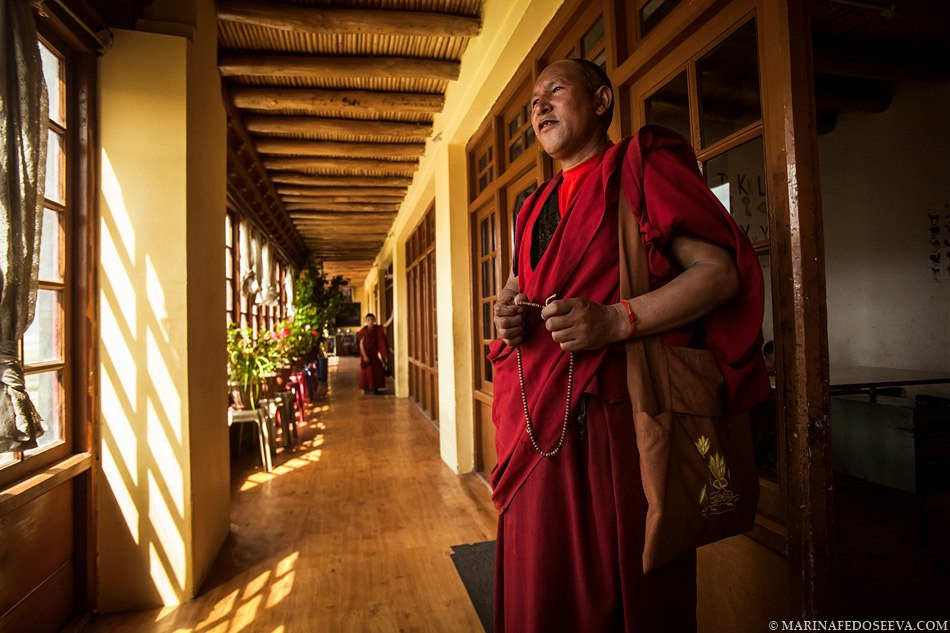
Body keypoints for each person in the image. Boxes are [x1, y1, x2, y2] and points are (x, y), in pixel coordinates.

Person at [489, 59, 770, 632]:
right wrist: (506, 315)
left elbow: (720, 274)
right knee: (538, 577)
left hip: (614, 425)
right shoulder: (533, 206)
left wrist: (617, 322)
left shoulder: (641, 169)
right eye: (533, 102)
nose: (539, 106)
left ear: (600, 101)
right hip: (533, 419)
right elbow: (523, 286)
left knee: (618, 593)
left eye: (555, 92)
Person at [357, 313, 388, 394]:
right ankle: (366, 388)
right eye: (368, 320)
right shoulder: (364, 331)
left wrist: (392, 316)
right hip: (366, 354)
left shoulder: (376, 329)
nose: (370, 322)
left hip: (374, 354)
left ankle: (375, 388)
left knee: (377, 370)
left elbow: (385, 325)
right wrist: (365, 356)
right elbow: (361, 345)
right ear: (366, 321)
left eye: (372, 320)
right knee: (367, 371)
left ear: (374, 320)